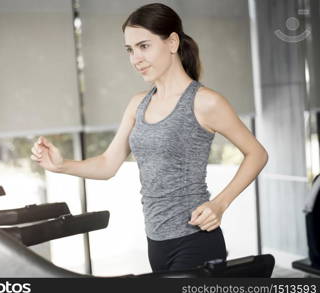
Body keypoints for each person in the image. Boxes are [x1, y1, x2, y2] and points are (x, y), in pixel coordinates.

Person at [31, 3, 268, 273]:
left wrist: (219, 203)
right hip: (156, 243)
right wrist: (62, 165)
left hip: (196, 240)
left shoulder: (205, 102)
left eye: (144, 46)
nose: (135, 58)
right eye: (130, 50)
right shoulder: (137, 104)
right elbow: (108, 163)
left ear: (172, 42)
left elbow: (257, 153)